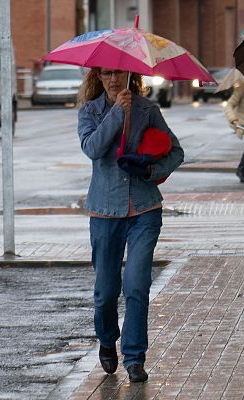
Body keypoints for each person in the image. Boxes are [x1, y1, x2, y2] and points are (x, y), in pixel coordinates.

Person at [77, 67, 184, 382]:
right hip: (104, 212)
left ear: (129, 74)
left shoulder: (147, 109)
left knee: (137, 284)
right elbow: (92, 149)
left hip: (144, 209)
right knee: (106, 291)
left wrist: (152, 172)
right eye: (107, 73)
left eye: (119, 73)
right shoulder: (90, 111)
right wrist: (115, 114)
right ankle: (107, 339)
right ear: (97, 76)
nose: (113, 79)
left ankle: (135, 357)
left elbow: (176, 152)